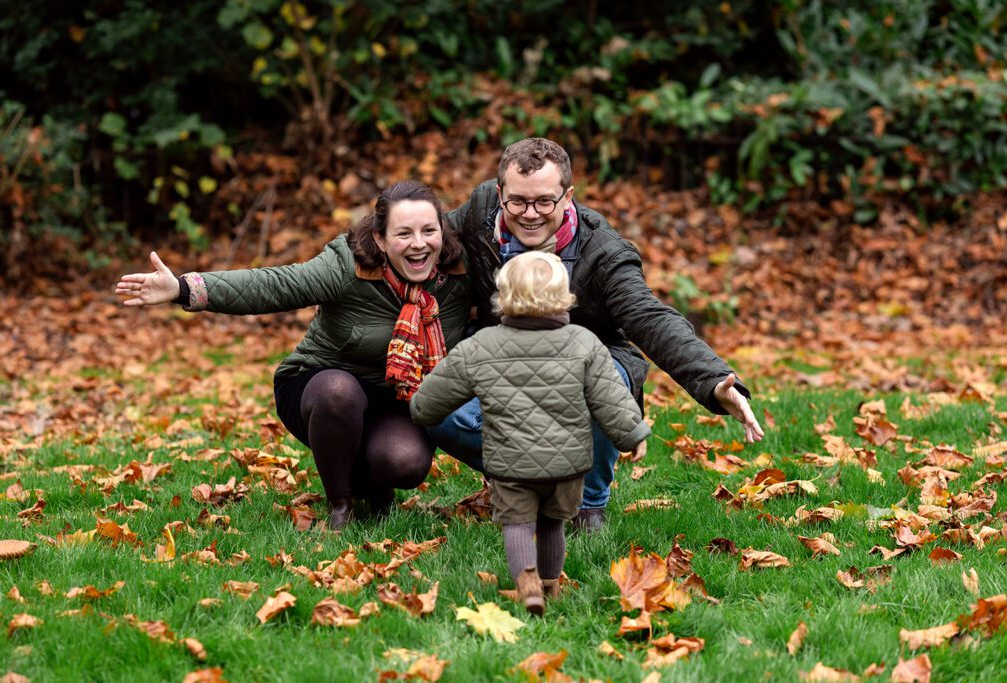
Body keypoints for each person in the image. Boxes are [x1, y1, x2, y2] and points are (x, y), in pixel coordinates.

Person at [429, 138, 764, 532]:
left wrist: (712, 381)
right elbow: (420, 235)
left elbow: (649, 317)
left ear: (568, 196)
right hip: (504, 357)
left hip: (587, 365)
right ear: (500, 192)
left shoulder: (603, 251)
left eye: (544, 202)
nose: (530, 214)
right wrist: (356, 256)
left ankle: (588, 504)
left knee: (602, 376)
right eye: (517, 201)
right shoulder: (482, 210)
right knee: (435, 404)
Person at [114, 180, 472, 530]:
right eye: (404, 234)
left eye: (429, 231)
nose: (419, 244)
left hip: (399, 398)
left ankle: (371, 485)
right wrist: (182, 288)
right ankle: (341, 504)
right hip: (323, 385)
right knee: (338, 393)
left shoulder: (459, 271)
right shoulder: (347, 265)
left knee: (404, 461)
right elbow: (275, 285)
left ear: (443, 230)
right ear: (379, 238)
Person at [410, 251, 650, 615]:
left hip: (510, 465)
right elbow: (610, 397)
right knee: (552, 523)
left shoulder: (482, 345)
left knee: (518, 525)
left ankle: (527, 584)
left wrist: (419, 409)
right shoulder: (585, 343)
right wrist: (633, 434)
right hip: (568, 466)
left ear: (503, 297)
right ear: (564, 296)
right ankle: (551, 584)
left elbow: (432, 398)